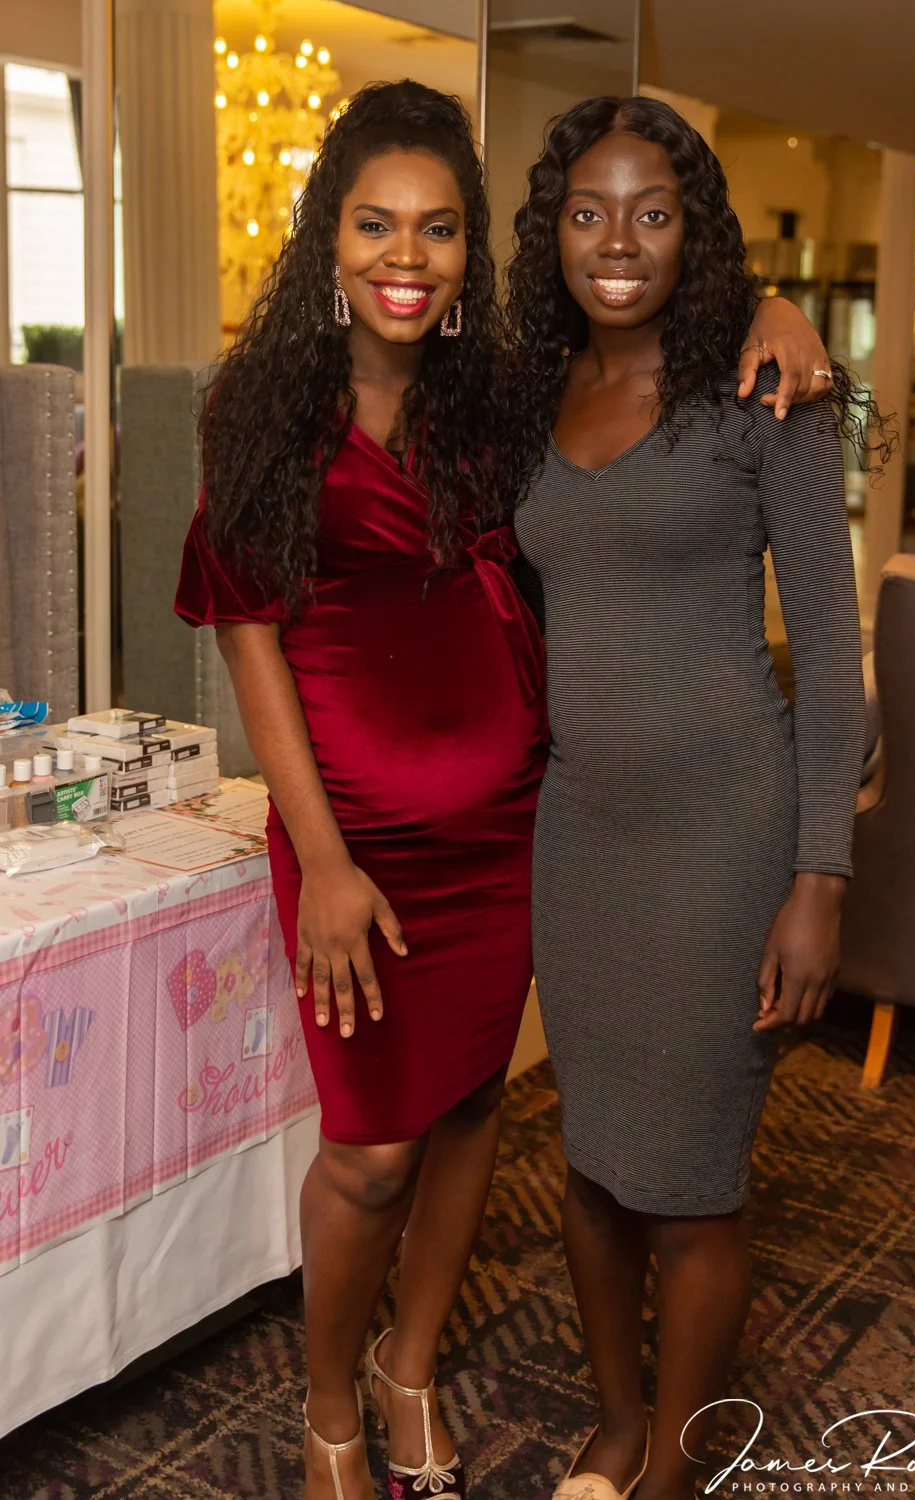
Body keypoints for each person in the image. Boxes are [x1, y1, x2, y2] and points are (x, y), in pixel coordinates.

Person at [174, 79, 835, 1500]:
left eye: (437, 231)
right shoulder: (264, 409)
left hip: (517, 834)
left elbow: (656, 293)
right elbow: (249, 636)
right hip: (368, 841)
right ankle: (332, 1415)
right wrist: (323, 859)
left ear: (477, 253)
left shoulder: (499, 393)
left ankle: (414, 1373)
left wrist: (777, 304)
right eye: (373, 226)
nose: (404, 258)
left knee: (480, 1111)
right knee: (376, 1150)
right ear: (327, 236)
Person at [506, 96, 892, 1500]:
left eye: (655, 212)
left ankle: (668, 1470)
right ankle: (616, 1425)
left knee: (691, 1178)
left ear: (697, 230)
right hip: (581, 836)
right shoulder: (526, 389)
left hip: (722, 837)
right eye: (591, 211)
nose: (620, 241)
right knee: (595, 1159)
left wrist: (819, 878)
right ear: (553, 230)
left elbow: (836, 658)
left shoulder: (767, 389)